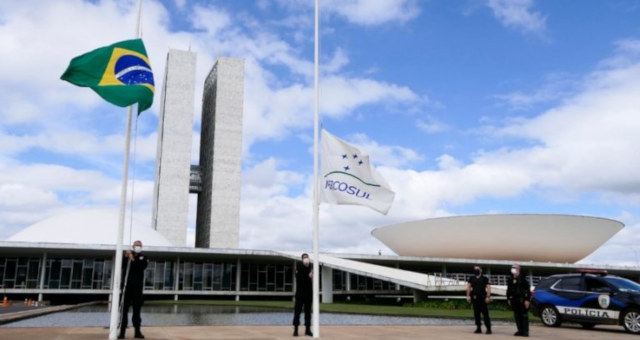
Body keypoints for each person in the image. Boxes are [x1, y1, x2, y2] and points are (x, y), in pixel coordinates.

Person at [118, 240, 148, 339]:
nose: (138, 246)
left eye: (140, 245)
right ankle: (122, 332)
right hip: (127, 288)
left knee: (136, 312)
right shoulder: (128, 256)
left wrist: (133, 259)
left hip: (137, 289)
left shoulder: (143, 257)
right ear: (133, 246)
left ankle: (137, 332)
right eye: (136, 245)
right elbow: (121, 266)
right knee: (124, 311)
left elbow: (141, 267)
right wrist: (125, 257)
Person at [466, 265, 492, 334]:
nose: (475, 270)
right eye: (474, 269)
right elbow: (468, 287)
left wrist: (488, 296)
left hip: (483, 298)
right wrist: (468, 296)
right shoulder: (471, 278)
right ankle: (478, 328)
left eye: (477, 269)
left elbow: (488, 287)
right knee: (476, 314)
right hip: (474, 298)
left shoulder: (484, 278)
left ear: (481, 270)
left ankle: (488, 328)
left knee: (485, 314)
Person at [507, 264, 531, 337]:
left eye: (514, 268)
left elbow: (527, 290)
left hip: (522, 299)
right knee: (517, 315)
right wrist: (508, 298)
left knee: (524, 315)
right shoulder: (510, 279)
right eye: (512, 268)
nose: (512, 269)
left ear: (518, 269)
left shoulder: (523, 279)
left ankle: (525, 331)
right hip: (514, 299)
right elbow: (508, 289)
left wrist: (527, 300)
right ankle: (519, 330)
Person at [292, 253, 313, 337]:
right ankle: (296, 330)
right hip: (300, 294)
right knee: (297, 312)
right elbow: (299, 277)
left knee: (308, 313)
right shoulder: (299, 266)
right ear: (302, 259)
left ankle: (307, 330)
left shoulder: (311, 267)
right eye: (304, 258)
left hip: (308, 293)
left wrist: (311, 274)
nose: (306, 259)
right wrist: (308, 276)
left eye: (307, 257)